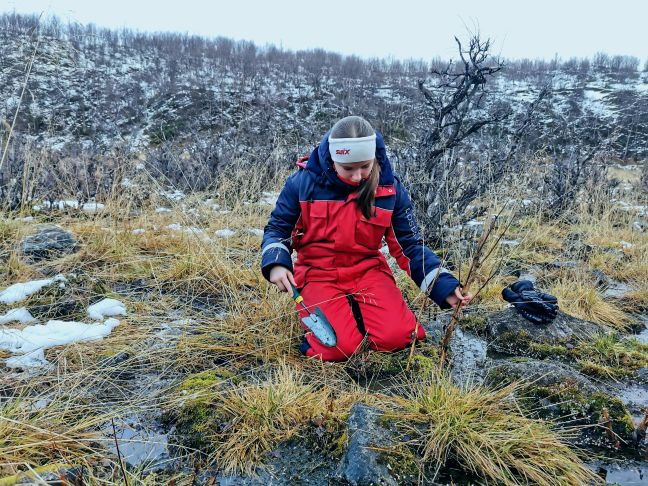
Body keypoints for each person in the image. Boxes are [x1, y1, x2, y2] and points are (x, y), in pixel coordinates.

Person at [261, 116, 471, 361]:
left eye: (364, 166)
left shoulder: (390, 190)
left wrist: (443, 286)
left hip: (367, 271)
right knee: (338, 348)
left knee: (400, 338)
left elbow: (410, 246)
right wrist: (276, 263)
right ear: (332, 160)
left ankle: (360, 318)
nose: (358, 176)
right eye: (348, 168)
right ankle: (336, 324)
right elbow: (278, 229)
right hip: (317, 272)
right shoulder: (301, 184)